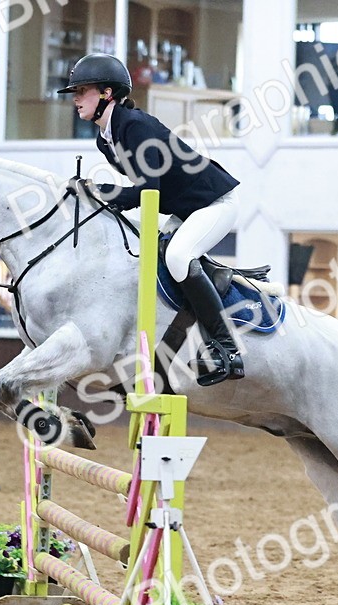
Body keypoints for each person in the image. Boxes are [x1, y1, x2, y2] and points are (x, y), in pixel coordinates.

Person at [60, 53, 243, 386]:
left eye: (81, 90)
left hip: (214, 203)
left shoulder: (135, 127)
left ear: (106, 94)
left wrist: (98, 190)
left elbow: (148, 193)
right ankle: (162, 354)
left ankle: (228, 348)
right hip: (186, 208)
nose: (75, 99)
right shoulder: (106, 139)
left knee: (177, 256)